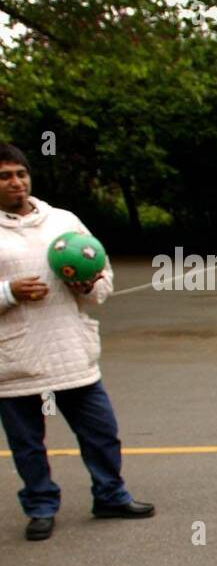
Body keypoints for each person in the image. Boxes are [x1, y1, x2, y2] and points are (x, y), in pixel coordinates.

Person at [0, 144, 154, 541]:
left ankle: (110, 495)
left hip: (70, 348)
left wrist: (89, 284)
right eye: (5, 176)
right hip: (15, 357)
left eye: (21, 173)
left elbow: (100, 269)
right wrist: (9, 292)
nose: (16, 182)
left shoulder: (62, 221)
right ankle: (40, 506)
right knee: (28, 443)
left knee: (101, 431)